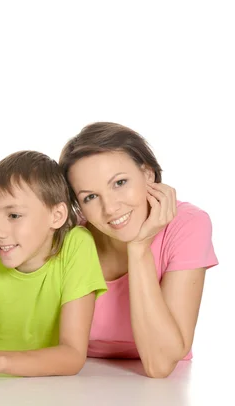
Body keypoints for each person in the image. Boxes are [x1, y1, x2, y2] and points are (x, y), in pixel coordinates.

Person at [58, 122, 218, 378]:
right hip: (75, 379)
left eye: (120, 182)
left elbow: (160, 364)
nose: (110, 208)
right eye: (90, 197)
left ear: (148, 174)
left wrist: (139, 248)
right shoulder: (71, 237)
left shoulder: (188, 225)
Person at [0, 151, 108, 378]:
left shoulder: (77, 245)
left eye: (14, 215)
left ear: (56, 216)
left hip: (43, 383)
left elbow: (73, 355)